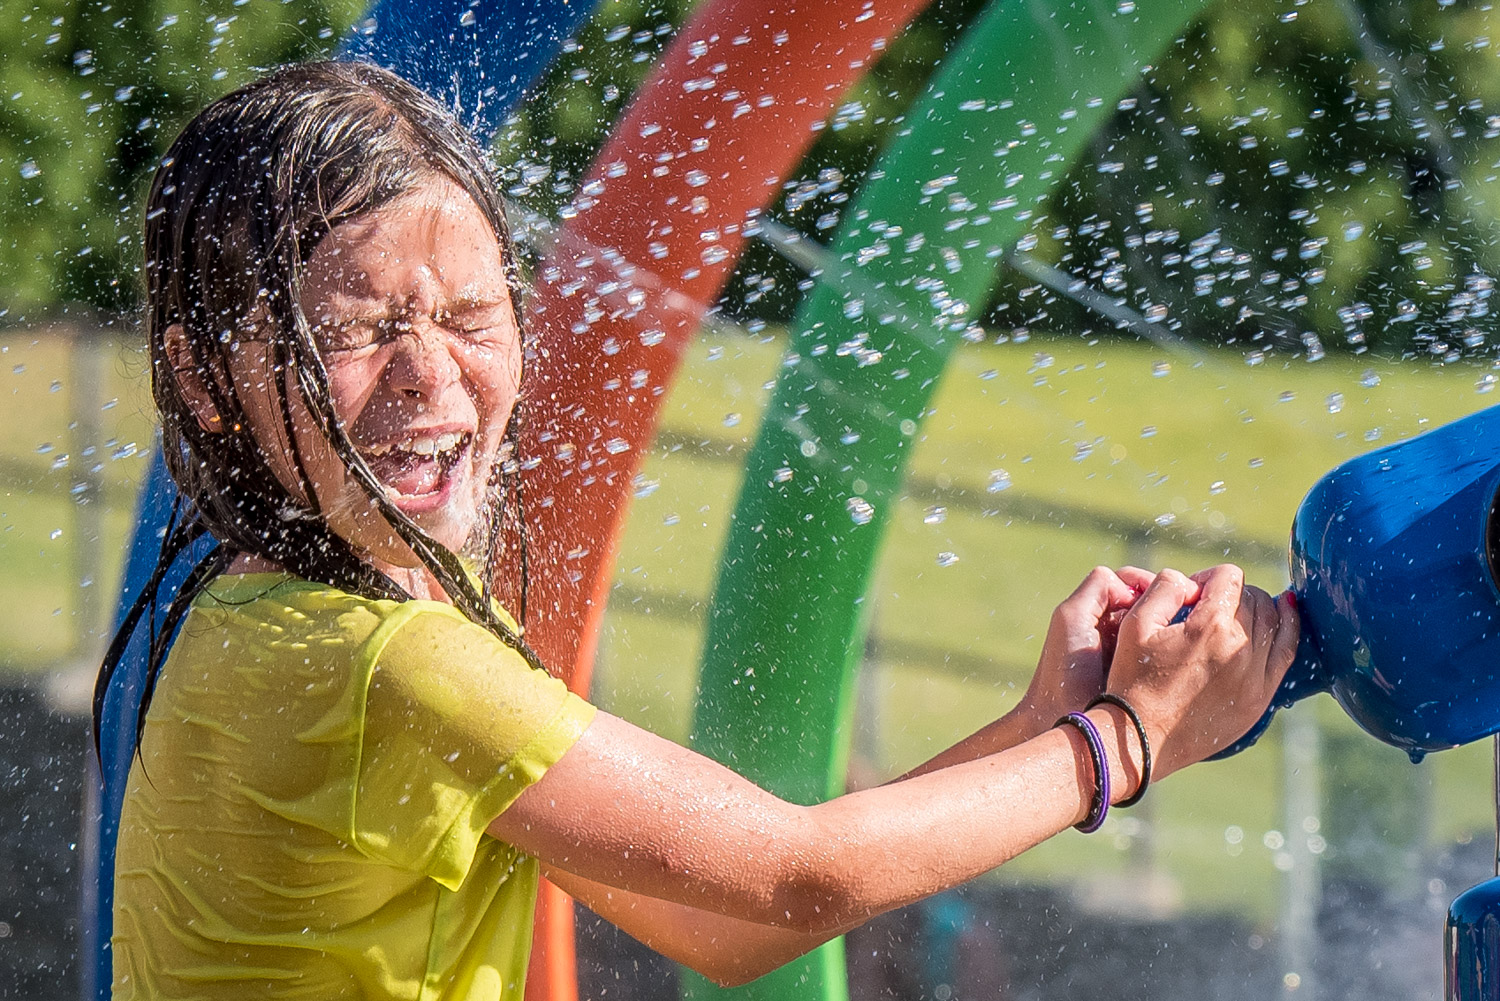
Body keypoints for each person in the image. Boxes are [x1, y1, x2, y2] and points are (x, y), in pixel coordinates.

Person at [98, 60, 1299, 1000]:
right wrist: (1127, 741)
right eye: (360, 331)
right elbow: (792, 875)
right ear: (209, 377)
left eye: (472, 314)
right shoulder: (390, 666)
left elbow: (728, 922)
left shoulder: (268, 614)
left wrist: (1039, 728)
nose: (431, 376)